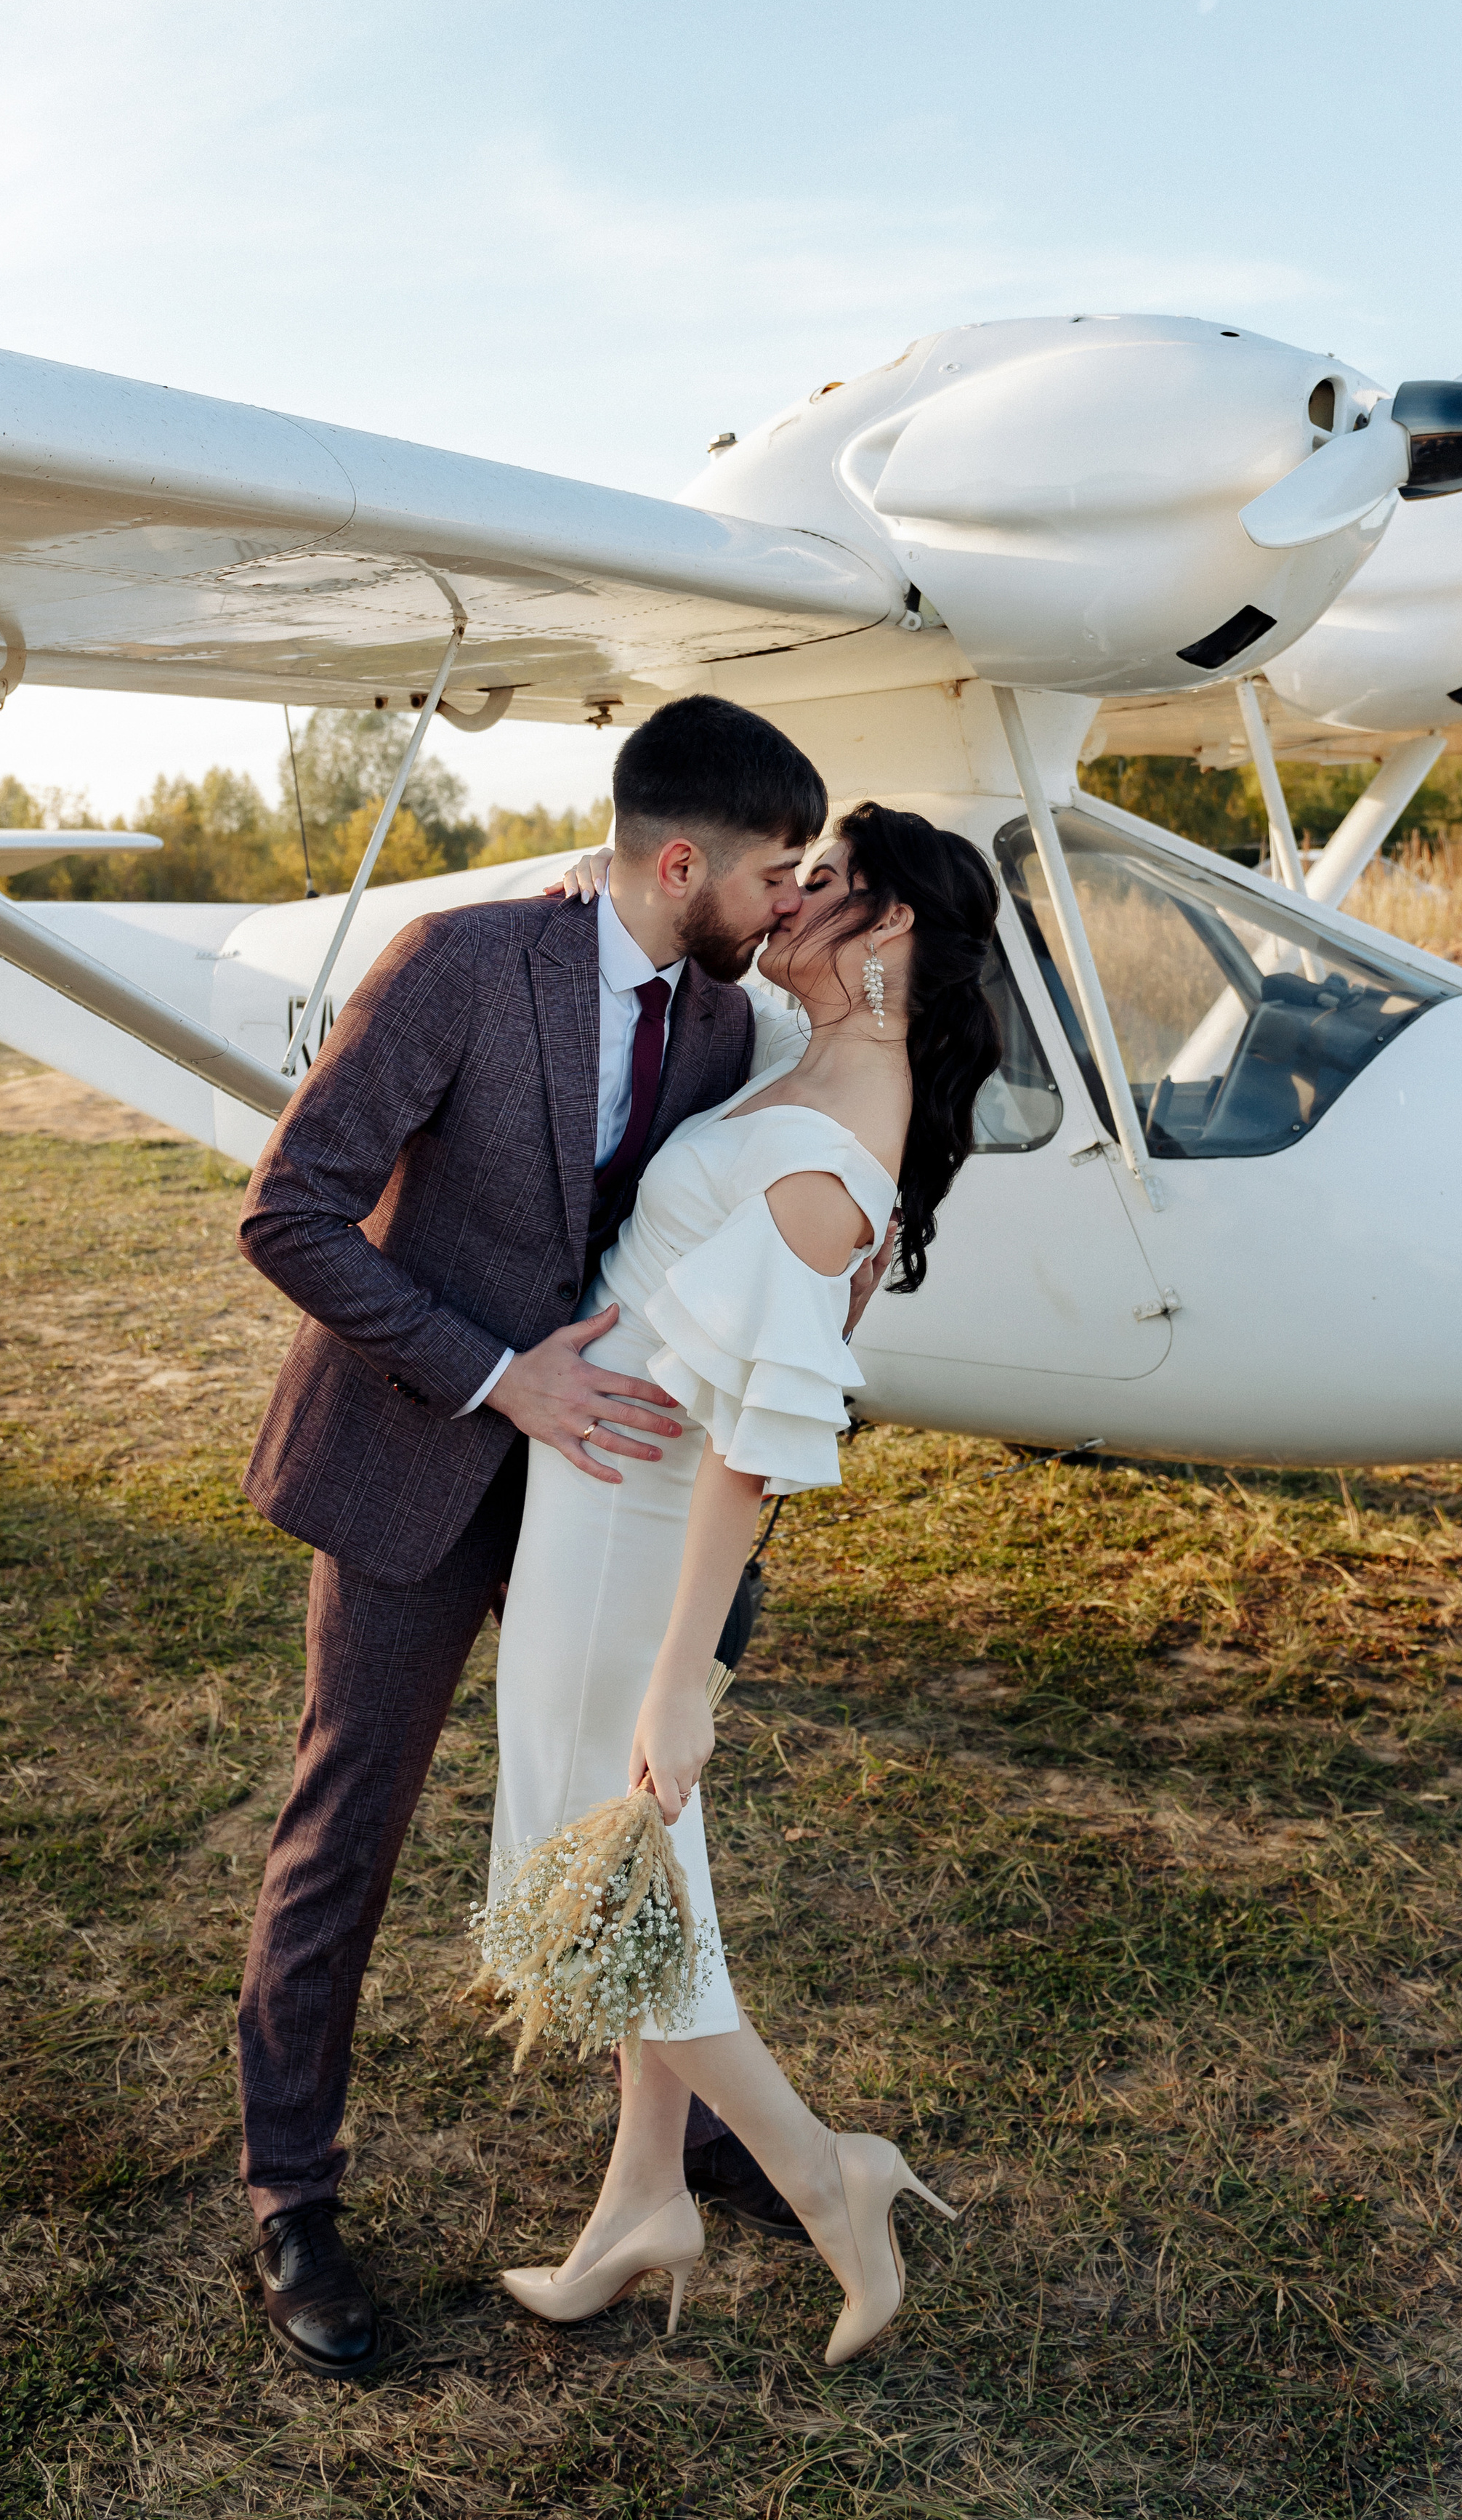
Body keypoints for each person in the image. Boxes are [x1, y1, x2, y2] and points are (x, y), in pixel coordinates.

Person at [232, 695, 884, 2379]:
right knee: (344, 1829)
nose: (787, 902)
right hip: (412, 1455)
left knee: (633, 1809)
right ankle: (291, 2199)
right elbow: (287, 1213)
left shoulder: (736, 1030)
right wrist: (491, 1377)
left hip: (613, 1490)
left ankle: (667, 2155)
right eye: (771, 874)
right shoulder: (457, 965)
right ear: (682, 863)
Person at [488, 801, 1003, 2364]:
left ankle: (822, 2172)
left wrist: (672, 1677)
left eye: (821, 884)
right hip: (605, 1506)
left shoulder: (847, 1125)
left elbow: (752, 1448)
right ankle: (643, 2196)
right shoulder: (815, 1069)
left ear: (891, 922)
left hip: (632, 1542)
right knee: (652, 1885)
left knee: (590, 1898)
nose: (784, 902)